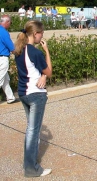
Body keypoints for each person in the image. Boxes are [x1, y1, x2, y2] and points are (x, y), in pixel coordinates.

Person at [14, 20, 52, 177]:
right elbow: (49, 71)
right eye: (41, 33)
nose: (42, 36)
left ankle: (29, 162)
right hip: (35, 94)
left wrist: (42, 74)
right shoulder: (35, 52)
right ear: (36, 34)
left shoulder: (19, 50)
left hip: (23, 93)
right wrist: (47, 50)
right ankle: (31, 168)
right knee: (33, 131)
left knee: (31, 129)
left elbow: (36, 71)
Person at [0, 15, 16, 104]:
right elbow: (12, 48)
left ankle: (10, 97)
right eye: (10, 23)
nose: (10, 24)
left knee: (5, 79)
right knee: (0, 79)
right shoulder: (4, 33)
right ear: (7, 22)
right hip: (2, 59)